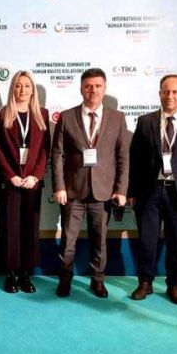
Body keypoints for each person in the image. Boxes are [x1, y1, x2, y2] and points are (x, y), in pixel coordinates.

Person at [128, 74, 177, 305]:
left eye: (175, 92)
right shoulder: (145, 121)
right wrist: (131, 191)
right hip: (149, 191)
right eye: (165, 91)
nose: (170, 96)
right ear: (160, 93)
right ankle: (145, 282)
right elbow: (135, 159)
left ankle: (174, 284)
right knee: (147, 240)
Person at [52, 68, 130, 298]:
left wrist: (121, 189)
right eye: (88, 86)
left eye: (97, 86)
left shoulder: (117, 118)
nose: (92, 90)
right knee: (68, 241)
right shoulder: (67, 117)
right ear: (81, 89)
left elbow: (122, 156)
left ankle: (98, 280)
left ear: (104, 89)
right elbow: (57, 154)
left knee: (100, 241)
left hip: (103, 192)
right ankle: (65, 279)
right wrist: (59, 186)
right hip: (72, 192)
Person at [0, 71, 50, 294]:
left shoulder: (42, 114)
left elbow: (45, 149)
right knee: (10, 229)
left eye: (27, 85)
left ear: (33, 89)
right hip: (10, 182)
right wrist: (11, 175)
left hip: (32, 183)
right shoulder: (3, 114)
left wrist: (35, 176)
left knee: (30, 228)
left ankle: (26, 274)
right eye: (18, 85)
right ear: (12, 89)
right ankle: (10, 274)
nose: (23, 90)